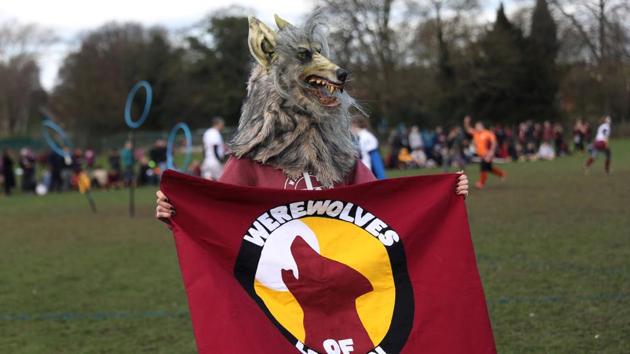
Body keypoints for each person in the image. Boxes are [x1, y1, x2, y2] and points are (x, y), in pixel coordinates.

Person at [155, 14, 468, 222]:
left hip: (341, 286)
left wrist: (442, 196)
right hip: (281, 296)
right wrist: (177, 211)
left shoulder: (341, 156)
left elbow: (384, 205)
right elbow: (217, 214)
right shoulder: (252, 159)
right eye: (304, 57)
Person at [463, 115, 506, 189]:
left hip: (487, 154)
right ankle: (502, 174)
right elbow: (468, 129)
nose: (476, 127)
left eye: (478, 126)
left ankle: (481, 183)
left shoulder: (488, 133)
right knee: (489, 168)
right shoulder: (475, 133)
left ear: (482, 126)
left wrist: (491, 153)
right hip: (482, 155)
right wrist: (466, 122)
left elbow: (494, 142)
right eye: (476, 126)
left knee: (483, 167)